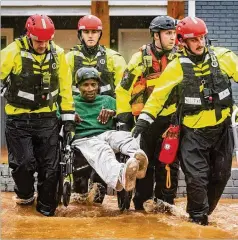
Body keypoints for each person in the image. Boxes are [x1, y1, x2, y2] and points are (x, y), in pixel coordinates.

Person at [132, 16, 238, 225]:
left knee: (220, 177)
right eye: (194, 39)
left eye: (202, 38)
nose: (200, 43)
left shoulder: (224, 57)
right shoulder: (176, 67)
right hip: (193, 135)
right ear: (182, 41)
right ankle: (198, 220)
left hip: (222, 131)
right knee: (197, 179)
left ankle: (199, 214)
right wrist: (143, 121)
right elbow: (158, 97)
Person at [0, 14, 75, 216]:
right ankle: (25, 195)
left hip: (48, 119)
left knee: (50, 169)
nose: (42, 45)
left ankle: (46, 212)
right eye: (38, 41)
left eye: (47, 40)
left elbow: (65, 88)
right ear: (28, 35)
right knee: (23, 164)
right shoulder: (12, 52)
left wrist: (68, 118)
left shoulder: (58, 54)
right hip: (18, 119)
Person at [115, 15, 179, 210]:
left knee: (168, 164)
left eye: (174, 33)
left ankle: (165, 205)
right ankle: (141, 205)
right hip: (144, 122)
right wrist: (124, 119)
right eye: (168, 33)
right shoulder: (139, 59)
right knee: (144, 165)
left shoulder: (179, 57)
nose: (172, 37)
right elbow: (122, 89)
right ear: (155, 36)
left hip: (171, 120)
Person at [71, 67, 148, 193]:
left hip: (107, 133)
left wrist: (113, 113)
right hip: (84, 138)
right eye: (85, 85)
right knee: (103, 149)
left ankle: (138, 161)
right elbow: (57, 117)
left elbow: (125, 114)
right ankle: (120, 176)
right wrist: (70, 116)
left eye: (93, 85)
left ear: (98, 86)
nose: (90, 89)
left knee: (125, 137)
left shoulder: (108, 100)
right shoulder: (71, 103)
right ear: (78, 86)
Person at [66, 14, 126, 97]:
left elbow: (123, 90)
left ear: (99, 34)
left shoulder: (114, 57)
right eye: (86, 32)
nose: (90, 35)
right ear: (80, 34)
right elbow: (63, 87)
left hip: (106, 107)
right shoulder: (69, 58)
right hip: (77, 107)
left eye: (94, 32)